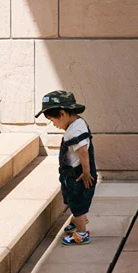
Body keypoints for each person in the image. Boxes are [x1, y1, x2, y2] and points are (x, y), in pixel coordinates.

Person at [38, 90, 98, 246]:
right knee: (76, 200)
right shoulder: (78, 122)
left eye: (53, 120)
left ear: (62, 113)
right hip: (75, 172)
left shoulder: (74, 132)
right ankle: (79, 219)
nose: (54, 124)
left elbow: (83, 152)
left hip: (78, 174)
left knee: (77, 202)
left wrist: (86, 172)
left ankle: (81, 233)